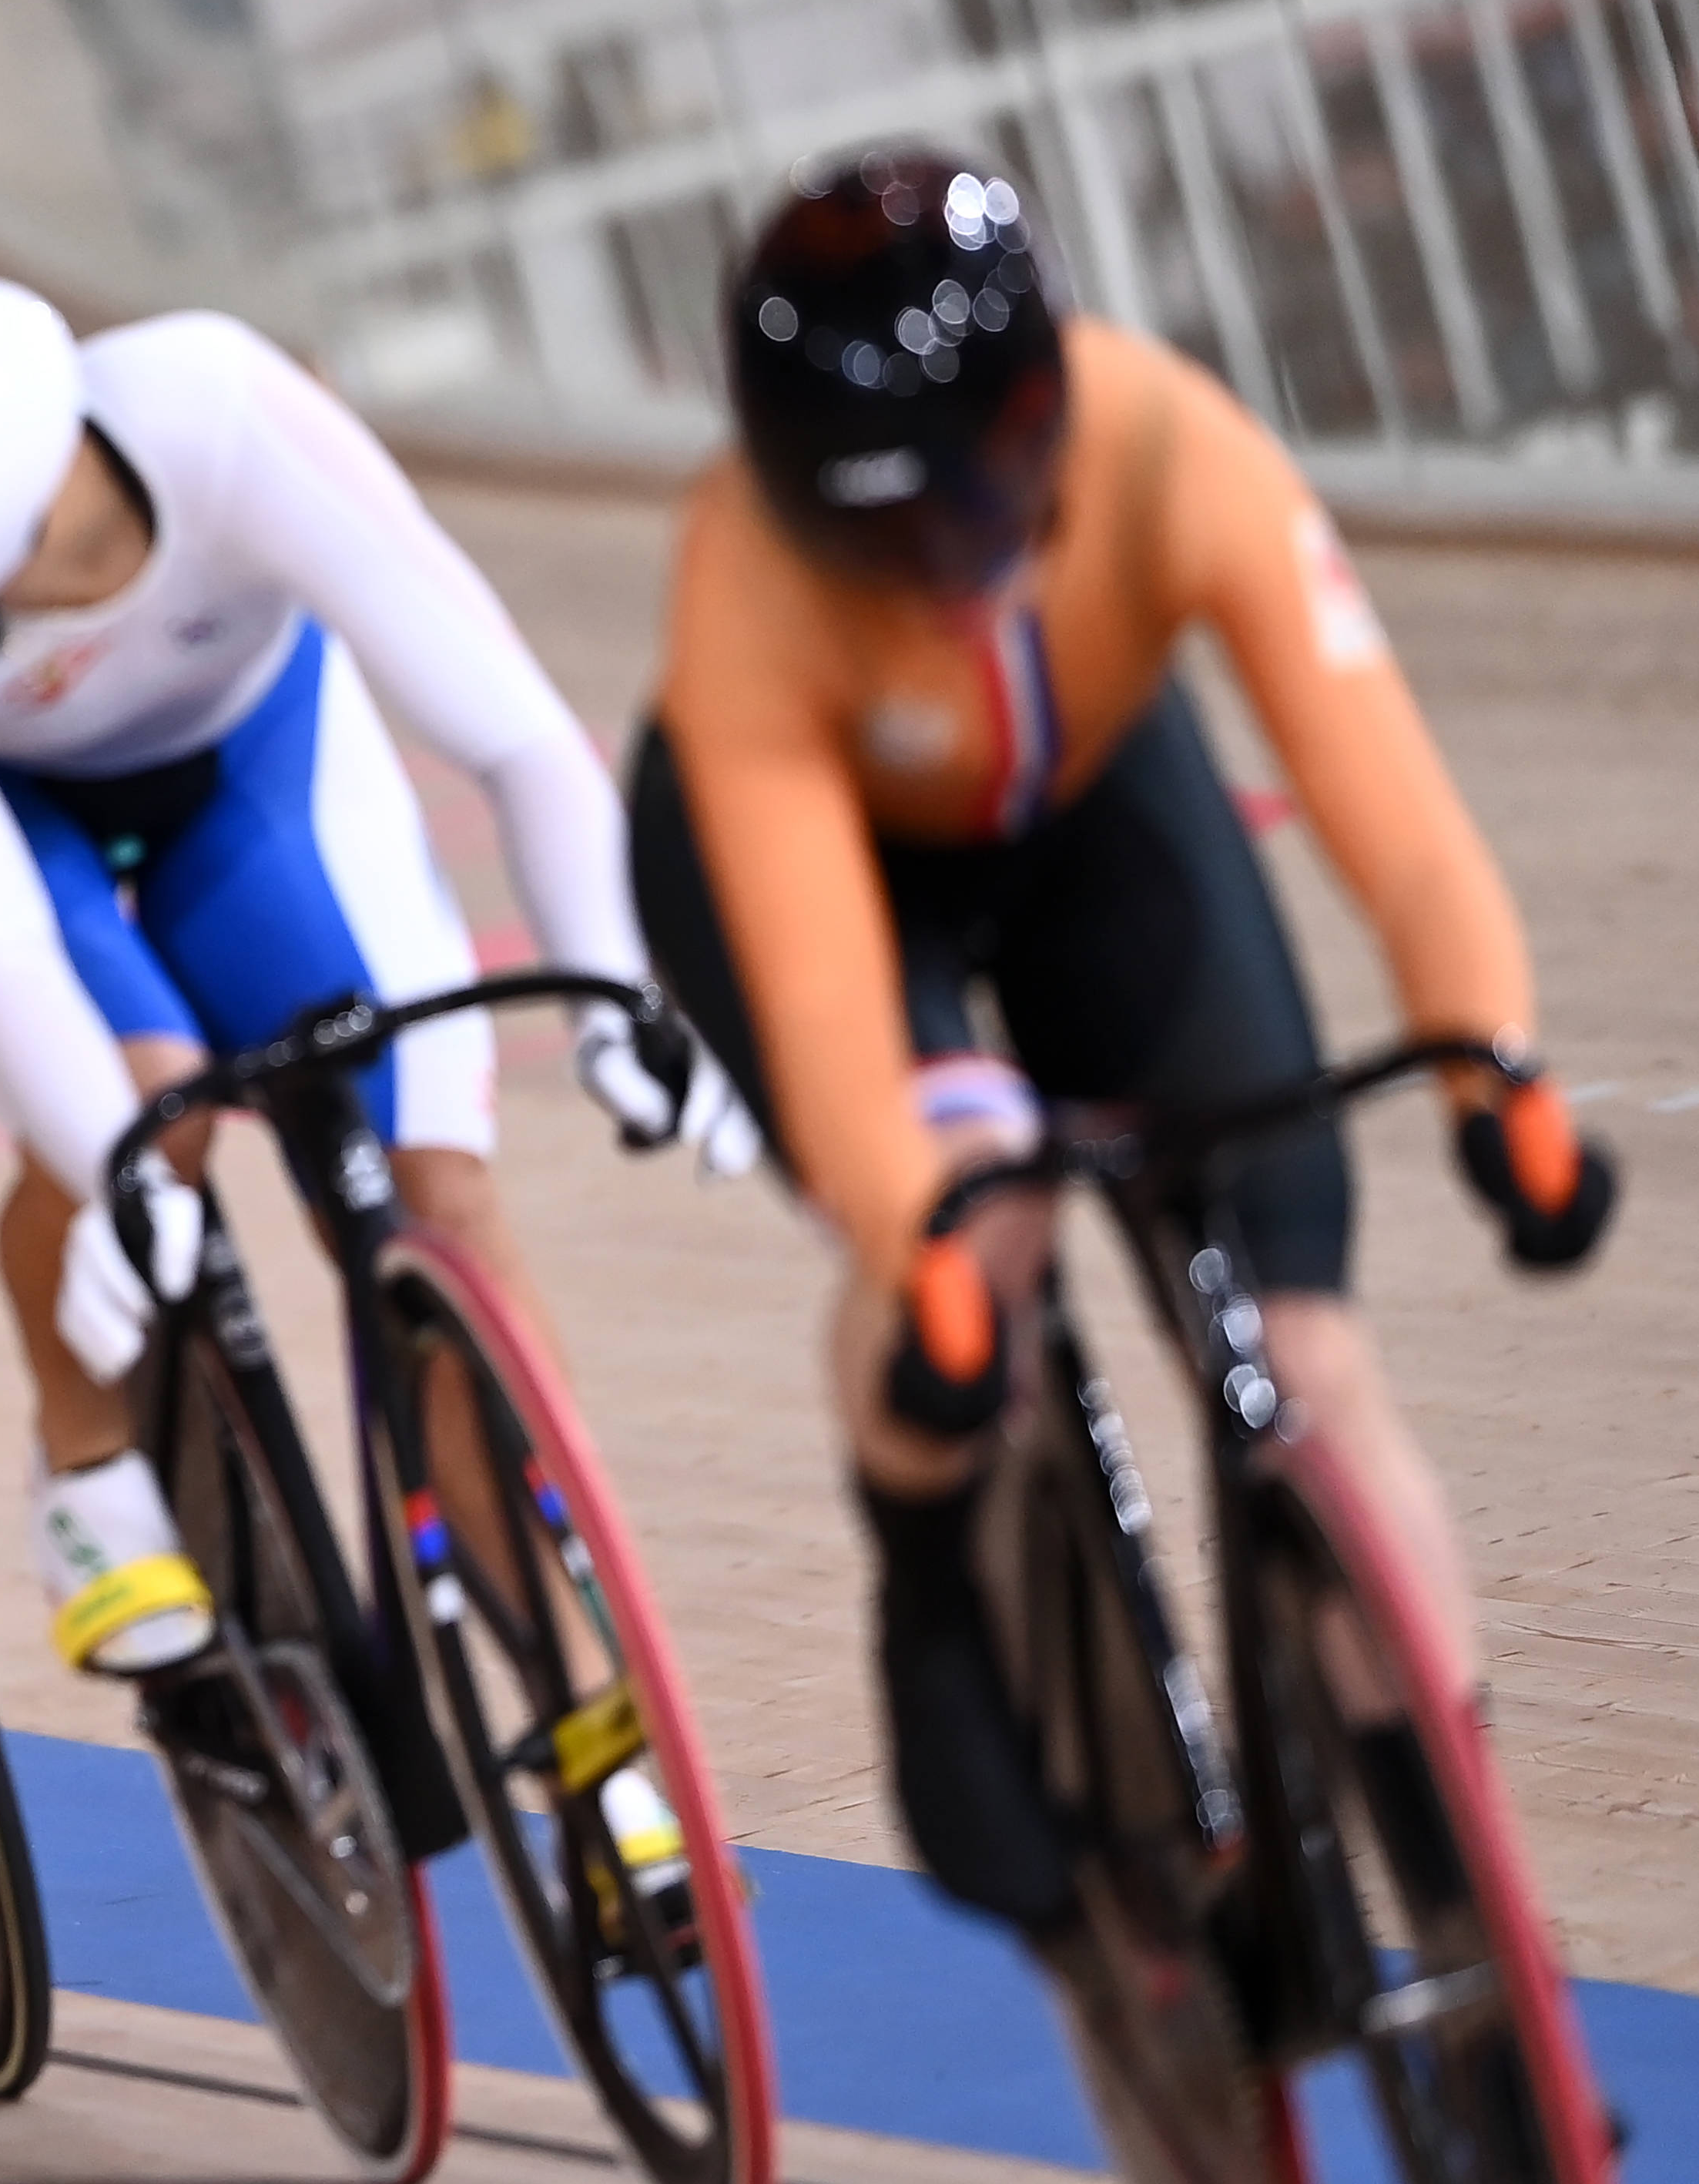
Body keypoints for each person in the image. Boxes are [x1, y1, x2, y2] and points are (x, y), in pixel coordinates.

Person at [628, 146, 1616, 1935]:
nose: (946, 579)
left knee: (1309, 1360)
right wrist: (927, 1254)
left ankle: (1484, 1949)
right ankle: (933, 1591)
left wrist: (1493, 1068)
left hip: (1091, 812)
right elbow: (843, 1021)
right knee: (974, 1220)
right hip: (828, 867)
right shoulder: (744, 584)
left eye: (985, 508)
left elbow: (1394, 819)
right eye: (884, 543)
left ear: (1052, 413)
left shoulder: (1172, 444)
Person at [0, 274, 737, 1902]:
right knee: (156, 1099)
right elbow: (8, 958)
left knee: (437, 1198)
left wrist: (623, 998)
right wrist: (119, 1163)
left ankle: (588, 1710)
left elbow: (514, 735)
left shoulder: (222, 419)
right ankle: (86, 1455)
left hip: (255, 766)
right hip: (10, 845)